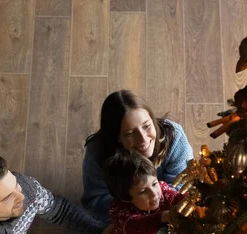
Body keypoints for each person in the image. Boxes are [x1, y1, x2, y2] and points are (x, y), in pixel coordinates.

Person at [82, 89, 193, 226]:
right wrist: (136, 210)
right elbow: (95, 201)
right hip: (126, 219)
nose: (143, 139)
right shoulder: (97, 152)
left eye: (146, 126)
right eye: (129, 133)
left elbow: (183, 186)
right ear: (116, 138)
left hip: (169, 212)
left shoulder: (175, 137)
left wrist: (159, 210)